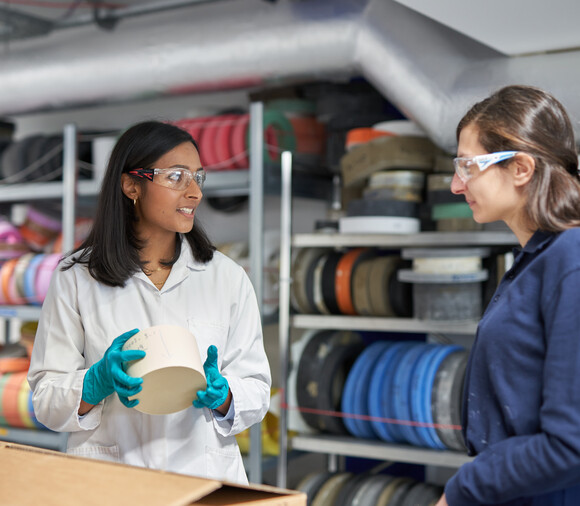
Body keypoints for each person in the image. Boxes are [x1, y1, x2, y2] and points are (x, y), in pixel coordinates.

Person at [27, 120, 271, 485]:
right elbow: (46, 398)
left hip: (202, 480)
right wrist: (95, 383)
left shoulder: (227, 278)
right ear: (131, 186)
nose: (195, 192)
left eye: (198, 177)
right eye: (176, 177)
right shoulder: (76, 277)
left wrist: (225, 396)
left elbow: (257, 389)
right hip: (110, 482)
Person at [433, 84, 580, 506]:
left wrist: (461, 491)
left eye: (467, 166)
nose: (456, 185)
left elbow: (570, 443)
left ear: (520, 168)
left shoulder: (570, 259)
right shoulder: (534, 259)